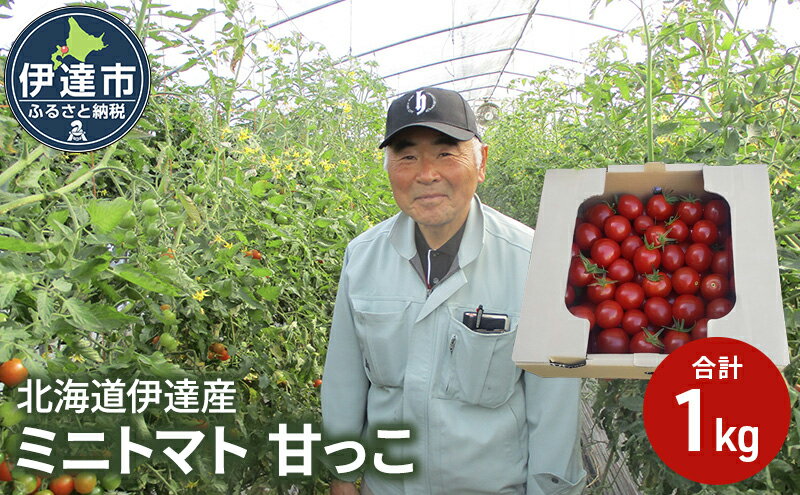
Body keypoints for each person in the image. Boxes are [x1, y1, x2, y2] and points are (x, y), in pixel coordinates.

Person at [321, 87, 586, 495]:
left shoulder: (535, 261)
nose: (427, 173)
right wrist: (342, 475)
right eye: (407, 156)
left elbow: (553, 407)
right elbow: (345, 376)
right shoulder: (363, 257)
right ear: (389, 168)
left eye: (446, 153)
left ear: (481, 162)